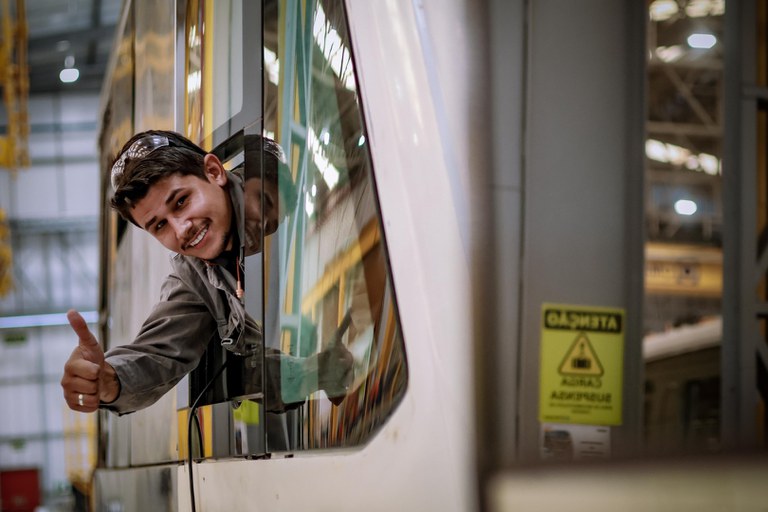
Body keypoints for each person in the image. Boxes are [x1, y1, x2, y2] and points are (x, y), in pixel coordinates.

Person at [61, 130, 353, 414]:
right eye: (160, 226)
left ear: (214, 171)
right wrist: (110, 381)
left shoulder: (294, 194)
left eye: (181, 202)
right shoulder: (193, 273)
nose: (181, 229)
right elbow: (158, 354)